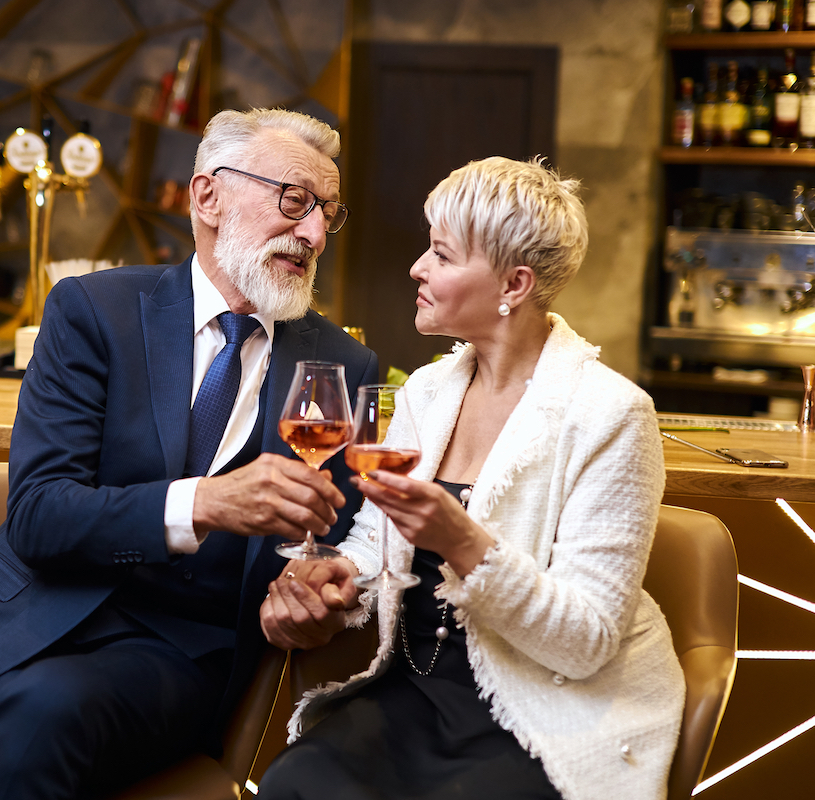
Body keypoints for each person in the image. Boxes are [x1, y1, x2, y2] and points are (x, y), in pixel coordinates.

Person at [0, 108, 378, 799]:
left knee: (41, 713)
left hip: (179, 657)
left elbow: (328, 540)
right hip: (27, 626)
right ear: (208, 196)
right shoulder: (92, 311)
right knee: (32, 707)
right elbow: (41, 516)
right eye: (295, 201)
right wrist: (207, 502)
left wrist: (316, 594)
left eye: (327, 214)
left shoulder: (341, 364)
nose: (313, 233)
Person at [256, 157, 684, 800]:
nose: (417, 269)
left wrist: (464, 543)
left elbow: (587, 641)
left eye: (442, 255)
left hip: (542, 716)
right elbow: (376, 544)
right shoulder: (428, 392)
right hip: (414, 693)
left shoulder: (612, 415)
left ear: (513, 284)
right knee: (294, 783)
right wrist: (337, 582)